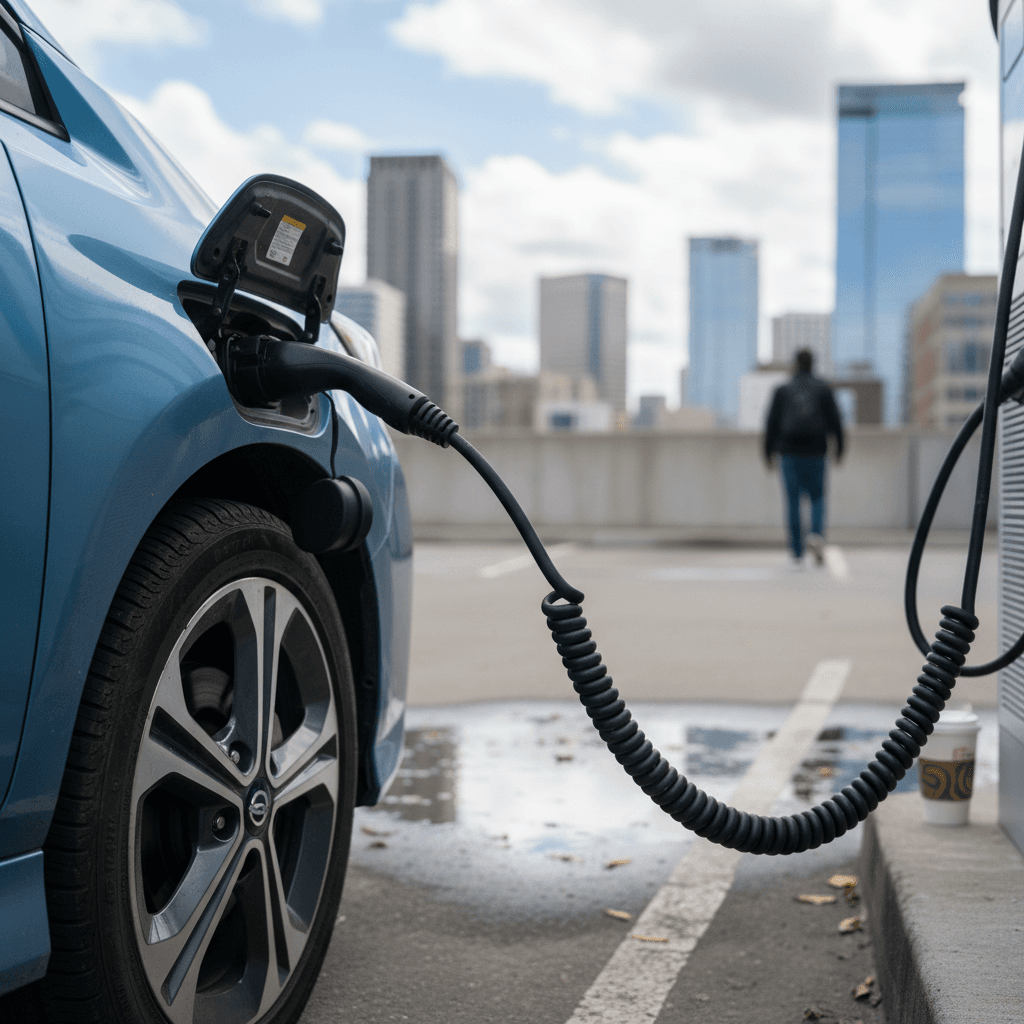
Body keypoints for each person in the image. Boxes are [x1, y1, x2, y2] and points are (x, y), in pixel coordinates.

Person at [764, 349, 844, 567]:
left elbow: (771, 423)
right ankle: (816, 536)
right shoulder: (823, 388)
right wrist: (839, 449)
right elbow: (836, 420)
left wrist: (767, 454)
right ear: (812, 364)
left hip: (789, 453)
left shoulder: (782, 390)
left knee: (793, 501)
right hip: (817, 451)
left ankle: (797, 550)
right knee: (817, 498)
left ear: (795, 364)